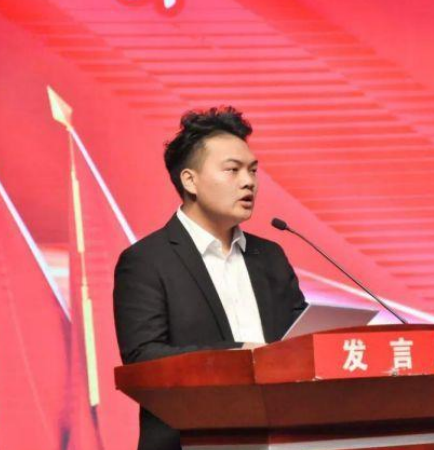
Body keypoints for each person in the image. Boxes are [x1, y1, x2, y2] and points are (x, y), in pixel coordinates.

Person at [113, 106, 307, 450]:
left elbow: (300, 340)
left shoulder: (270, 257)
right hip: (190, 441)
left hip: (279, 438)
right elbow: (144, 357)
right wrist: (239, 354)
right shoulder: (146, 261)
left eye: (252, 170)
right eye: (232, 170)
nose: (248, 182)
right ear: (190, 180)